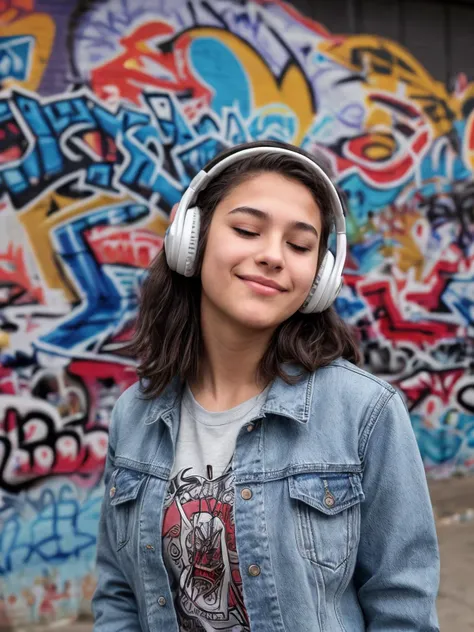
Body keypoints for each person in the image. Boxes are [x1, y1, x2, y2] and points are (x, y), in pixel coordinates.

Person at [92, 140, 440, 631]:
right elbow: (119, 596)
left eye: (299, 245)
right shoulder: (135, 413)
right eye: (247, 230)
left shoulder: (364, 412)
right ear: (191, 238)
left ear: (320, 276)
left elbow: (402, 608)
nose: (273, 256)